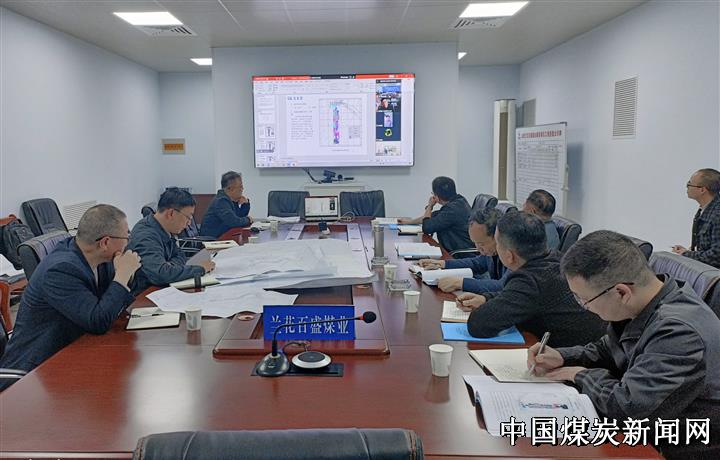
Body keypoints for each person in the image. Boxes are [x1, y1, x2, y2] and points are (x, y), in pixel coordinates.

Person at [529, 230, 720, 459]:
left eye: (584, 299)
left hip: (677, 448)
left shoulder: (679, 333)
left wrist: (580, 375)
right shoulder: (650, 301)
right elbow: (610, 348)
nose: (584, 307)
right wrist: (564, 356)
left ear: (621, 292)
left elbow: (627, 408)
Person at [0, 205, 141, 388]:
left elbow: (112, 304)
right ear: (105, 242)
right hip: (33, 374)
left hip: (72, 351)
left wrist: (127, 274)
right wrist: (122, 275)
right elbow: (98, 321)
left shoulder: (100, 258)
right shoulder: (60, 270)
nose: (128, 242)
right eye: (126, 236)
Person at [457, 212, 605, 347]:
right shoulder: (554, 258)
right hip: (592, 347)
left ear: (509, 256)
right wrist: (486, 298)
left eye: (497, 243)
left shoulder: (530, 280)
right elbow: (518, 296)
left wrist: (488, 304)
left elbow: (478, 324)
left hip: (574, 358)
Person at [128, 188, 214, 295]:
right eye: (188, 217)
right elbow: (160, 275)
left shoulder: (164, 229)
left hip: (161, 288)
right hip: (145, 295)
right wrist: (200, 269)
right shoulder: (145, 235)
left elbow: (180, 255)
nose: (189, 223)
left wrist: (170, 267)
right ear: (171, 213)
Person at [417, 208, 507, 294]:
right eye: (475, 243)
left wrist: (461, 283)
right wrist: (442, 264)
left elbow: (505, 286)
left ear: (497, 236)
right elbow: (477, 263)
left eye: (481, 244)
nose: (478, 248)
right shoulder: (491, 252)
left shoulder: (511, 254)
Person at [399, 176, 473, 254]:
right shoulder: (459, 201)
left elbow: (427, 227)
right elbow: (433, 217)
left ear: (436, 197)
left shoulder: (452, 209)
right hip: (457, 249)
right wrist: (409, 222)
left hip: (460, 254)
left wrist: (430, 206)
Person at [672, 168, 720, 267]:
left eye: (689, 184)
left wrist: (686, 254)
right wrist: (689, 252)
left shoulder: (717, 214)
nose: (687, 187)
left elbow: (716, 256)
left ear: (702, 190)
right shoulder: (705, 209)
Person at [200, 171, 253, 238]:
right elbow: (234, 222)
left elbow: (238, 217)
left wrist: (245, 204)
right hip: (213, 240)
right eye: (240, 186)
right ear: (230, 188)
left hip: (222, 237)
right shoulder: (221, 201)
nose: (242, 189)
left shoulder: (230, 200)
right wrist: (248, 219)